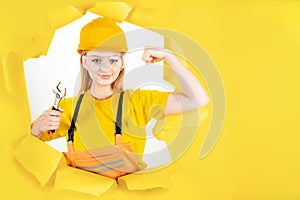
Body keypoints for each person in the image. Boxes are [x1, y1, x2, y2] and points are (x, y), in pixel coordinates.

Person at [31, 17, 210, 172]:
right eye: (96, 60)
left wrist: (168, 56)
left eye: (113, 60)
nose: (105, 68)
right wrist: (38, 127)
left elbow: (198, 99)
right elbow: (27, 142)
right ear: (84, 62)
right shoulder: (68, 108)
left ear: (122, 62)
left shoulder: (139, 102)